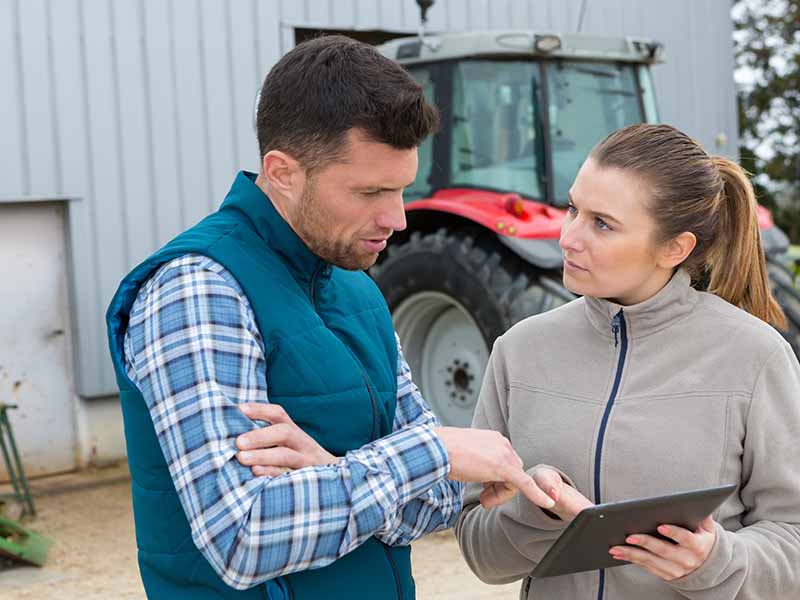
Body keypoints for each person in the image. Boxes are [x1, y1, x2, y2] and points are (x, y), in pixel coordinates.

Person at [105, 35, 555, 600]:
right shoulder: (198, 290)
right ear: (283, 171)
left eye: (401, 189)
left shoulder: (357, 288)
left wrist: (329, 464)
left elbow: (435, 505)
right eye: (370, 191)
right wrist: (431, 451)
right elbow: (243, 538)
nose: (396, 217)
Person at [455, 123, 800, 599]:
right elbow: (480, 556)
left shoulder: (756, 358)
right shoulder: (519, 350)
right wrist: (535, 511)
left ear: (674, 248)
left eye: (602, 223)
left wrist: (717, 561)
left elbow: (794, 540)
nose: (569, 238)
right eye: (573, 209)